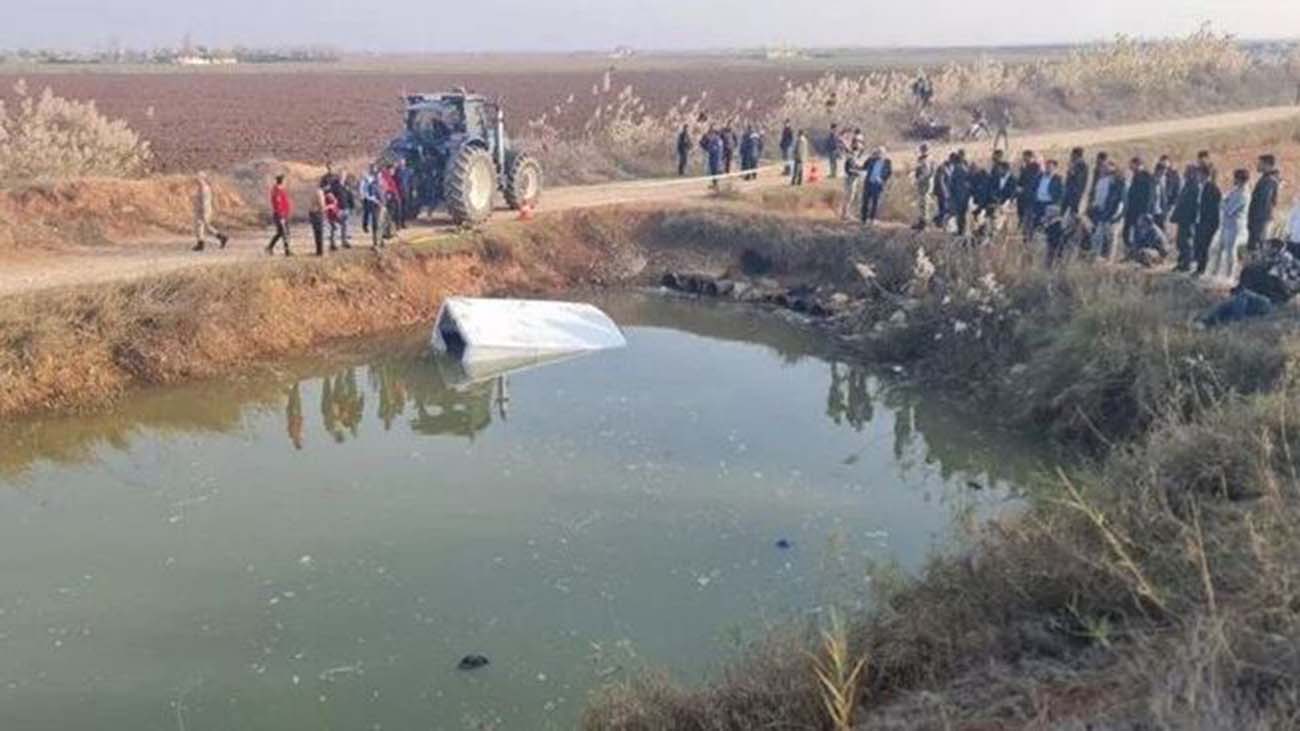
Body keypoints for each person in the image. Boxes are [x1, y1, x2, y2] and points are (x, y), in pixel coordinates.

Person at [1212, 169, 1251, 280]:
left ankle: (1229, 276)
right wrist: (1224, 202)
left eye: (1235, 178)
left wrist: (1223, 203)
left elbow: (1229, 209)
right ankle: (1218, 273)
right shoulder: (1235, 191)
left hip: (1234, 227)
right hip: (1227, 225)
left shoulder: (1243, 194)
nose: (1233, 180)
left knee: (1231, 252)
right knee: (1220, 249)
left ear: (1239, 179)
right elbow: (1225, 202)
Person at [1088, 160, 1126, 260]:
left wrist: (1114, 216)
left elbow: (1120, 202)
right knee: (1099, 235)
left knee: (1111, 237)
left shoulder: (1119, 183)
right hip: (1103, 213)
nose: (1103, 169)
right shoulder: (1102, 181)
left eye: (1106, 167)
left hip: (1113, 215)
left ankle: (1109, 259)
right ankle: (1097, 256)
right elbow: (1100, 197)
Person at [1171, 165, 1203, 272]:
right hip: (1183, 219)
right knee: (1180, 241)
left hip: (1189, 220)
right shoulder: (1187, 185)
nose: (1185, 174)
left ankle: (1186, 264)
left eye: (1188, 172)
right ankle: (1181, 262)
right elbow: (1181, 201)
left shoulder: (1195, 187)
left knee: (1186, 242)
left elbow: (1195, 205)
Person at [1193, 166, 1222, 277]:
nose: (1197, 177)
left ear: (1204, 175)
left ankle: (1202, 269)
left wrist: (1208, 223)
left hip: (1208, 223)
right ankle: (1199, 268)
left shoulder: (1212, 188)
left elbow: (1213, 208)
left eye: (1198, 174)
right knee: (1199, 245)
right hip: (1201, 221)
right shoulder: (1203, 187)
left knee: (1204, 246)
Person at [1248, 154, 1281, 251]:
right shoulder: (1265, 179)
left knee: (1257, 249)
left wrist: (1255, 223)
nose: (1257, 165)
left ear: (1267, 165)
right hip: (1258, 222)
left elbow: (1264, 204)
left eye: (1260, 163)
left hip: (1260, 222)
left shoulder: (1268, 181)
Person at [1123, 157, 1156, 247]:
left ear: (1138, 165)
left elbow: (1149, 196)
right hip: (1132, 210)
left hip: (1142, 211)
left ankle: (1140, 253)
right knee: (1127, 232)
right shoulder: (1134, 176)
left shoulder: (1147, 177)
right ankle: (1130, 251)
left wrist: (1145, 212)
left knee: (1140, 234)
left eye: (1132, 166)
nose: (1131, 168)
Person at [191, 172, 228, 252]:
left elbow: (205, 202)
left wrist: (204, 212)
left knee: (206, 226)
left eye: (198, 178)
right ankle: (201, 243)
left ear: (202, 179)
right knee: (199, 226)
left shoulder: (204, 189)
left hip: (204, 210)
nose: (196, 180)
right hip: (201, 210)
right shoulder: (201, 188)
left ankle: (221, 237)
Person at [1029, 159, 1063, 239]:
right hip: (1038, 202)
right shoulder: (1039, 176)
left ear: (1055, 168)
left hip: (1049, 204)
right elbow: (1033, 187)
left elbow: (1060, 193)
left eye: (1050, 167)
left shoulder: (1058, 179)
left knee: (1048, 224)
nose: (1048, 168)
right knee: (1036, 223)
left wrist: (1057, 204)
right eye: (1047, 166)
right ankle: (1033, 240)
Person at [861, 146, 893, 223]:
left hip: (878, 184)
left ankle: (872, 219)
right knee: (865, 201)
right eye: (878, 152)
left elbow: (889, 172)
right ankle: (863, 219)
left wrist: (882, 179)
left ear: (884, 154)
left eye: (881, 152)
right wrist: (871, 156)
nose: (879, 154)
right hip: (869, 182)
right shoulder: (871, 159)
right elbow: (864, 167)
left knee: (875, 202)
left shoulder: (887, 162)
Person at [265, 174, 292, 256]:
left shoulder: (281, 190)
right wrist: (281, 216)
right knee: (284, 233)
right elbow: (278, 204)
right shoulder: (276, 191)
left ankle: (270, 247)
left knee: (281, 233)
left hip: (284, 214)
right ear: (282, 181)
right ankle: (287, 251)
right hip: (280, 215)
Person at [1152, 156, 1181, 231]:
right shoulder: (1152, 180)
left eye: (1166, 167)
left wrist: (1170, 206)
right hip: (1154, 211)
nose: (1164, 172)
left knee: (1163, 231)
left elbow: (1175, 193)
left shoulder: (1173, 176)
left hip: (1164, 210)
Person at [1015, 150, 1041, 234]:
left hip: (1030, 196)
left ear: (1030, 157)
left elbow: (1032, 181)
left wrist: (1024, 170)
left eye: (1025, 157)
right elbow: (1021, 181)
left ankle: (1028, 234)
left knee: (1029, 217)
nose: (1024, 159)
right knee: (1023, 216)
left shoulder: (1035, 166)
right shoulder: (1024, 167)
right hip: (1022, 197)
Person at [840, 142, 865, 221]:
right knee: (849, 198)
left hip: (851, 179)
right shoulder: (851, 158)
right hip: (850, 180)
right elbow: (849, 170)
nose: (860, 152)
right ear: (856, 150)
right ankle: (845, 215)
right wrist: (858, 173)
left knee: (849, 198)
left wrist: (861, 168)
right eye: (859, 150)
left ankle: (846, 213)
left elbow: (856, 167)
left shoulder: (852, 158)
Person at [913, 144, 935, 230]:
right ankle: (921, 220)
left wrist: (919, 179)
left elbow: (927, 172)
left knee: (925, 202)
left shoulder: (928, 159)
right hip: (922, 182)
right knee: (921, 202)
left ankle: (924, 222)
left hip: (926, 183)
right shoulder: (921, 159)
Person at [950, 151, 973, 236]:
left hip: (960, 196)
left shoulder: (958, 169)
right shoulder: (964, 168)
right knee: (962, 215)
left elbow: (954, 184)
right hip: (964, 195)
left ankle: (961, 231)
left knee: (960, 215)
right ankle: (961, 230)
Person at [1062, 147, 1089, 217]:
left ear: (1076, 155)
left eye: (1072, 154)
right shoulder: (1074, 163)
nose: (1071, 156)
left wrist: (1071, 170)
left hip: (1075, 192)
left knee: (1073, 212)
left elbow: (1079, 179)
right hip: (1069, 191)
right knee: (1063, 210)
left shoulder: (1082, 165)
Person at [330, 172, 354, 250]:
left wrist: (352, 206)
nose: (342, 177)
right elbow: (330, 195)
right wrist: (334, 205)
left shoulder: (346, 185)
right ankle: (333, 244)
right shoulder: (334, 185)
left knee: (345, 226)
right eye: (341, 175)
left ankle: (344, 242)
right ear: (338, 176)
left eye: (343, 175)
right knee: (335, 226)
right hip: (338, 208)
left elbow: (350, 195)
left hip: (346, 208)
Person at [308, 181, 329, 257]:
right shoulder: (320, 193)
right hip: (317, 214)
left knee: (316, 233)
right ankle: (320, 252)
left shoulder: (315, 191)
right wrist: (330, 207)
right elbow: (322, 206)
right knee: (320, 233)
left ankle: (318, 250)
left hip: (312, 213)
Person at [360, 166, 381, 235]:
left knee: (374, 215)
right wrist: (363, 196)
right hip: (367, 199)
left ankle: (375, 228)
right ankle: (365, 226)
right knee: (366, 213)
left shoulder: (376, 179)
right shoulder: (366, 180)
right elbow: (363, 190)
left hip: (374, 200)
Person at [395, 159, 414, 228]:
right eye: (401, 162)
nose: (402, 163)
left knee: (404, 208)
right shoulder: (397, 171)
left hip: (406, 191)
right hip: (398, 191)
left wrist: (413, 190)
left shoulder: (409, 171)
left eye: (403, 162)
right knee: (398, 208)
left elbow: (411, 181)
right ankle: (397, 224)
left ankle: (403, 223)